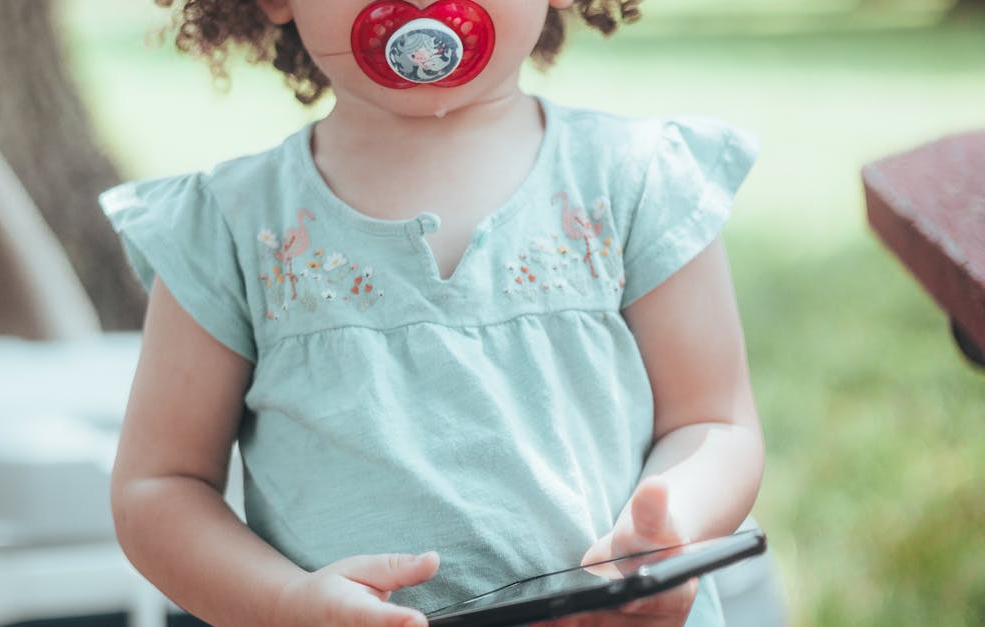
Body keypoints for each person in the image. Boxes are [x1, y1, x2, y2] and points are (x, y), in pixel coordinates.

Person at [102, 0, 765, 625]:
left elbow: (714, 422)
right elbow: (160, 485)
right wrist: (282, 604)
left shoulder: (637, 181)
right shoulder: (230, 229)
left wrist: (664, 532)